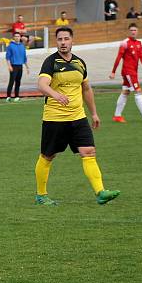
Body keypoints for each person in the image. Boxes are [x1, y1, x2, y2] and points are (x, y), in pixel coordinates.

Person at [35, 27, 120, 207]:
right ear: (56, 42)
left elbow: (86, 89)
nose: (63, 42)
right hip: (55, 118)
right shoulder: (51, 62)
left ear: (72, 40)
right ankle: (41, 195)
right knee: (48, 156)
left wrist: (94, 113)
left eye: (66, 39)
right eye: (60, 39)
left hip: (78, 117)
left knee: (88, 152)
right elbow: (42, 84)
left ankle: (100, 192)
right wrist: (55, 94)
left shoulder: (80, 63)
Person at [109, 23, 142, 123]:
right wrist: (113, 72)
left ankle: (117, 116)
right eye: (131, 30)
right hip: (128, 72)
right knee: (138, 91)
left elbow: (141, 55)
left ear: (137, 31)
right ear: (128, 31)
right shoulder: (125, 43)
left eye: (135, 30)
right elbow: (118, 58)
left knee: (125, 92)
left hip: (133, 72)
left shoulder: (139, 43)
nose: (133, 32)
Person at [5, 32, 29, 102]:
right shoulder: (10, 46)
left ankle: (17, 96)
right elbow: (7, 57)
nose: (17, 37)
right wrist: (9, 66)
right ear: (13, 37)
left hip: (20, 66)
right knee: (11, 81)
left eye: (18, 36)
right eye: (15, 36)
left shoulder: (22, 46)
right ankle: (8, 96)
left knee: (18, 82)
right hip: (13, 65)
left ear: (20, 37)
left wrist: (27, 67)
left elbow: (24, 57)